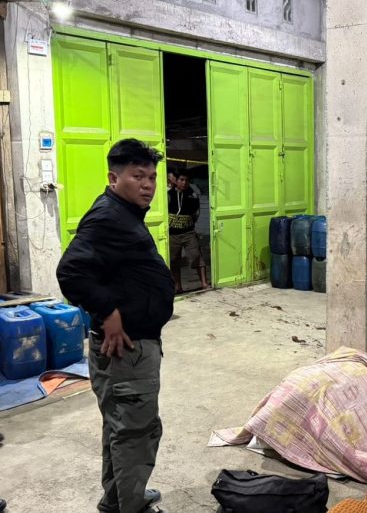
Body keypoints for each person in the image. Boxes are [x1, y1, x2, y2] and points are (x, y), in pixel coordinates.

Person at [56, 138, 174, 513]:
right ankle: (131, 506)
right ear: (113, 177)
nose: (148, 184)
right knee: (136, 431)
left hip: (132, 347)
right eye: (138, 176)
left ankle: (118, 500)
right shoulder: (109, 217)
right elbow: (71, 271)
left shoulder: (122, 213)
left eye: (152, 177)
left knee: (121, 426)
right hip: (128, 350)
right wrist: (108, 312)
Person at [168, 169, 209, 293]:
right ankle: (178, 286)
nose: (184, 183)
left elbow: (196, 213)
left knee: (197, 256)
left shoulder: (192, 195)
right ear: (176, 181)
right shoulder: (169, 195)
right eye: (181, 180)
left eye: (186, 180)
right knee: (174, 261)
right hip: (172, 234)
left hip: (189, 233)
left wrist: (187, 223)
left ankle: (204, 283)